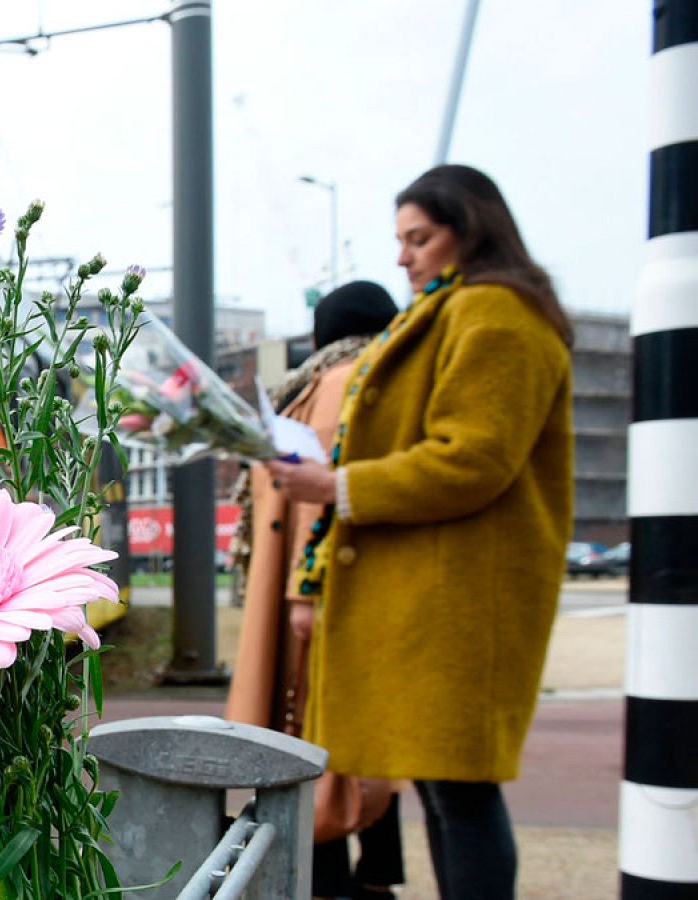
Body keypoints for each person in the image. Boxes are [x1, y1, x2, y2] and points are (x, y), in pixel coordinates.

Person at [268, 164, 574, 900]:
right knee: (448, 792)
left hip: (461, 601)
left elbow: (474, 459)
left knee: (459, 794)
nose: (403, 256)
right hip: (445, 593)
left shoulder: (494, 314)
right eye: (401, 240)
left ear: (470, 231)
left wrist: (337, 486)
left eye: (420, 238)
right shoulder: (462, 311)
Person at [226, 281, 404, 899]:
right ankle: (374, 874)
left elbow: (312, 502)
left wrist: (301, 595)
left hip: (309, 593)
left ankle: (328, 876)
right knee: (354, 742)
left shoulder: (313, 385)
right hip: (334, 591)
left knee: (313, 740)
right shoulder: (364, 378)